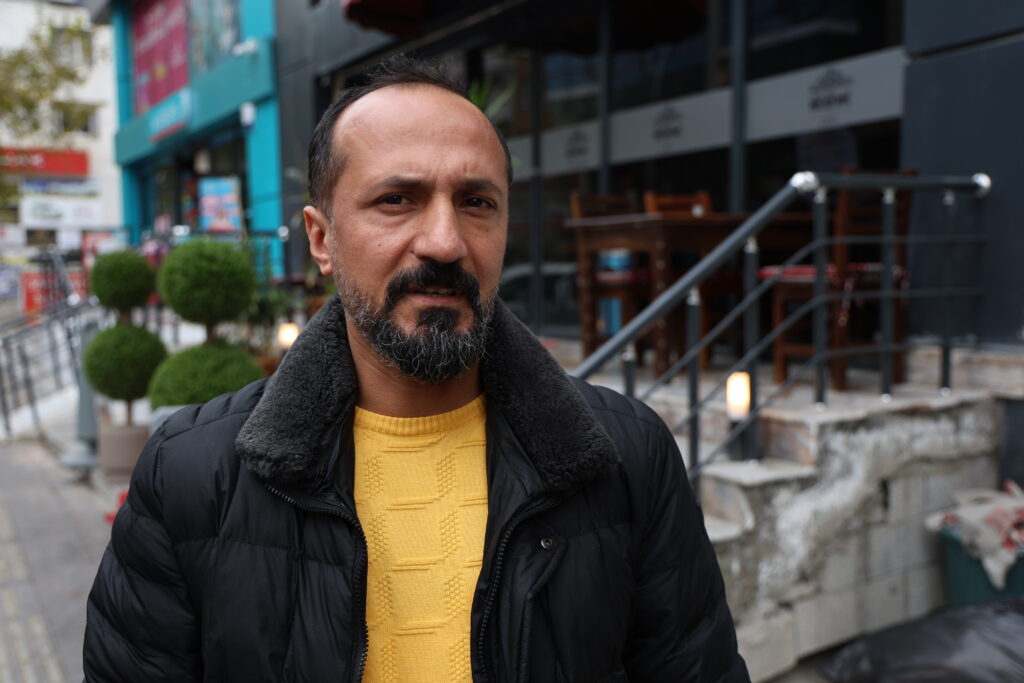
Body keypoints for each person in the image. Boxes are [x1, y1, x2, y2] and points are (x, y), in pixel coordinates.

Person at [84, 56, 749, 682]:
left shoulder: (628, 458)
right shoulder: (190, 477)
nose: (444, 242)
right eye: (397, 199)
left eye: (476, 202)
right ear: (321, 238)